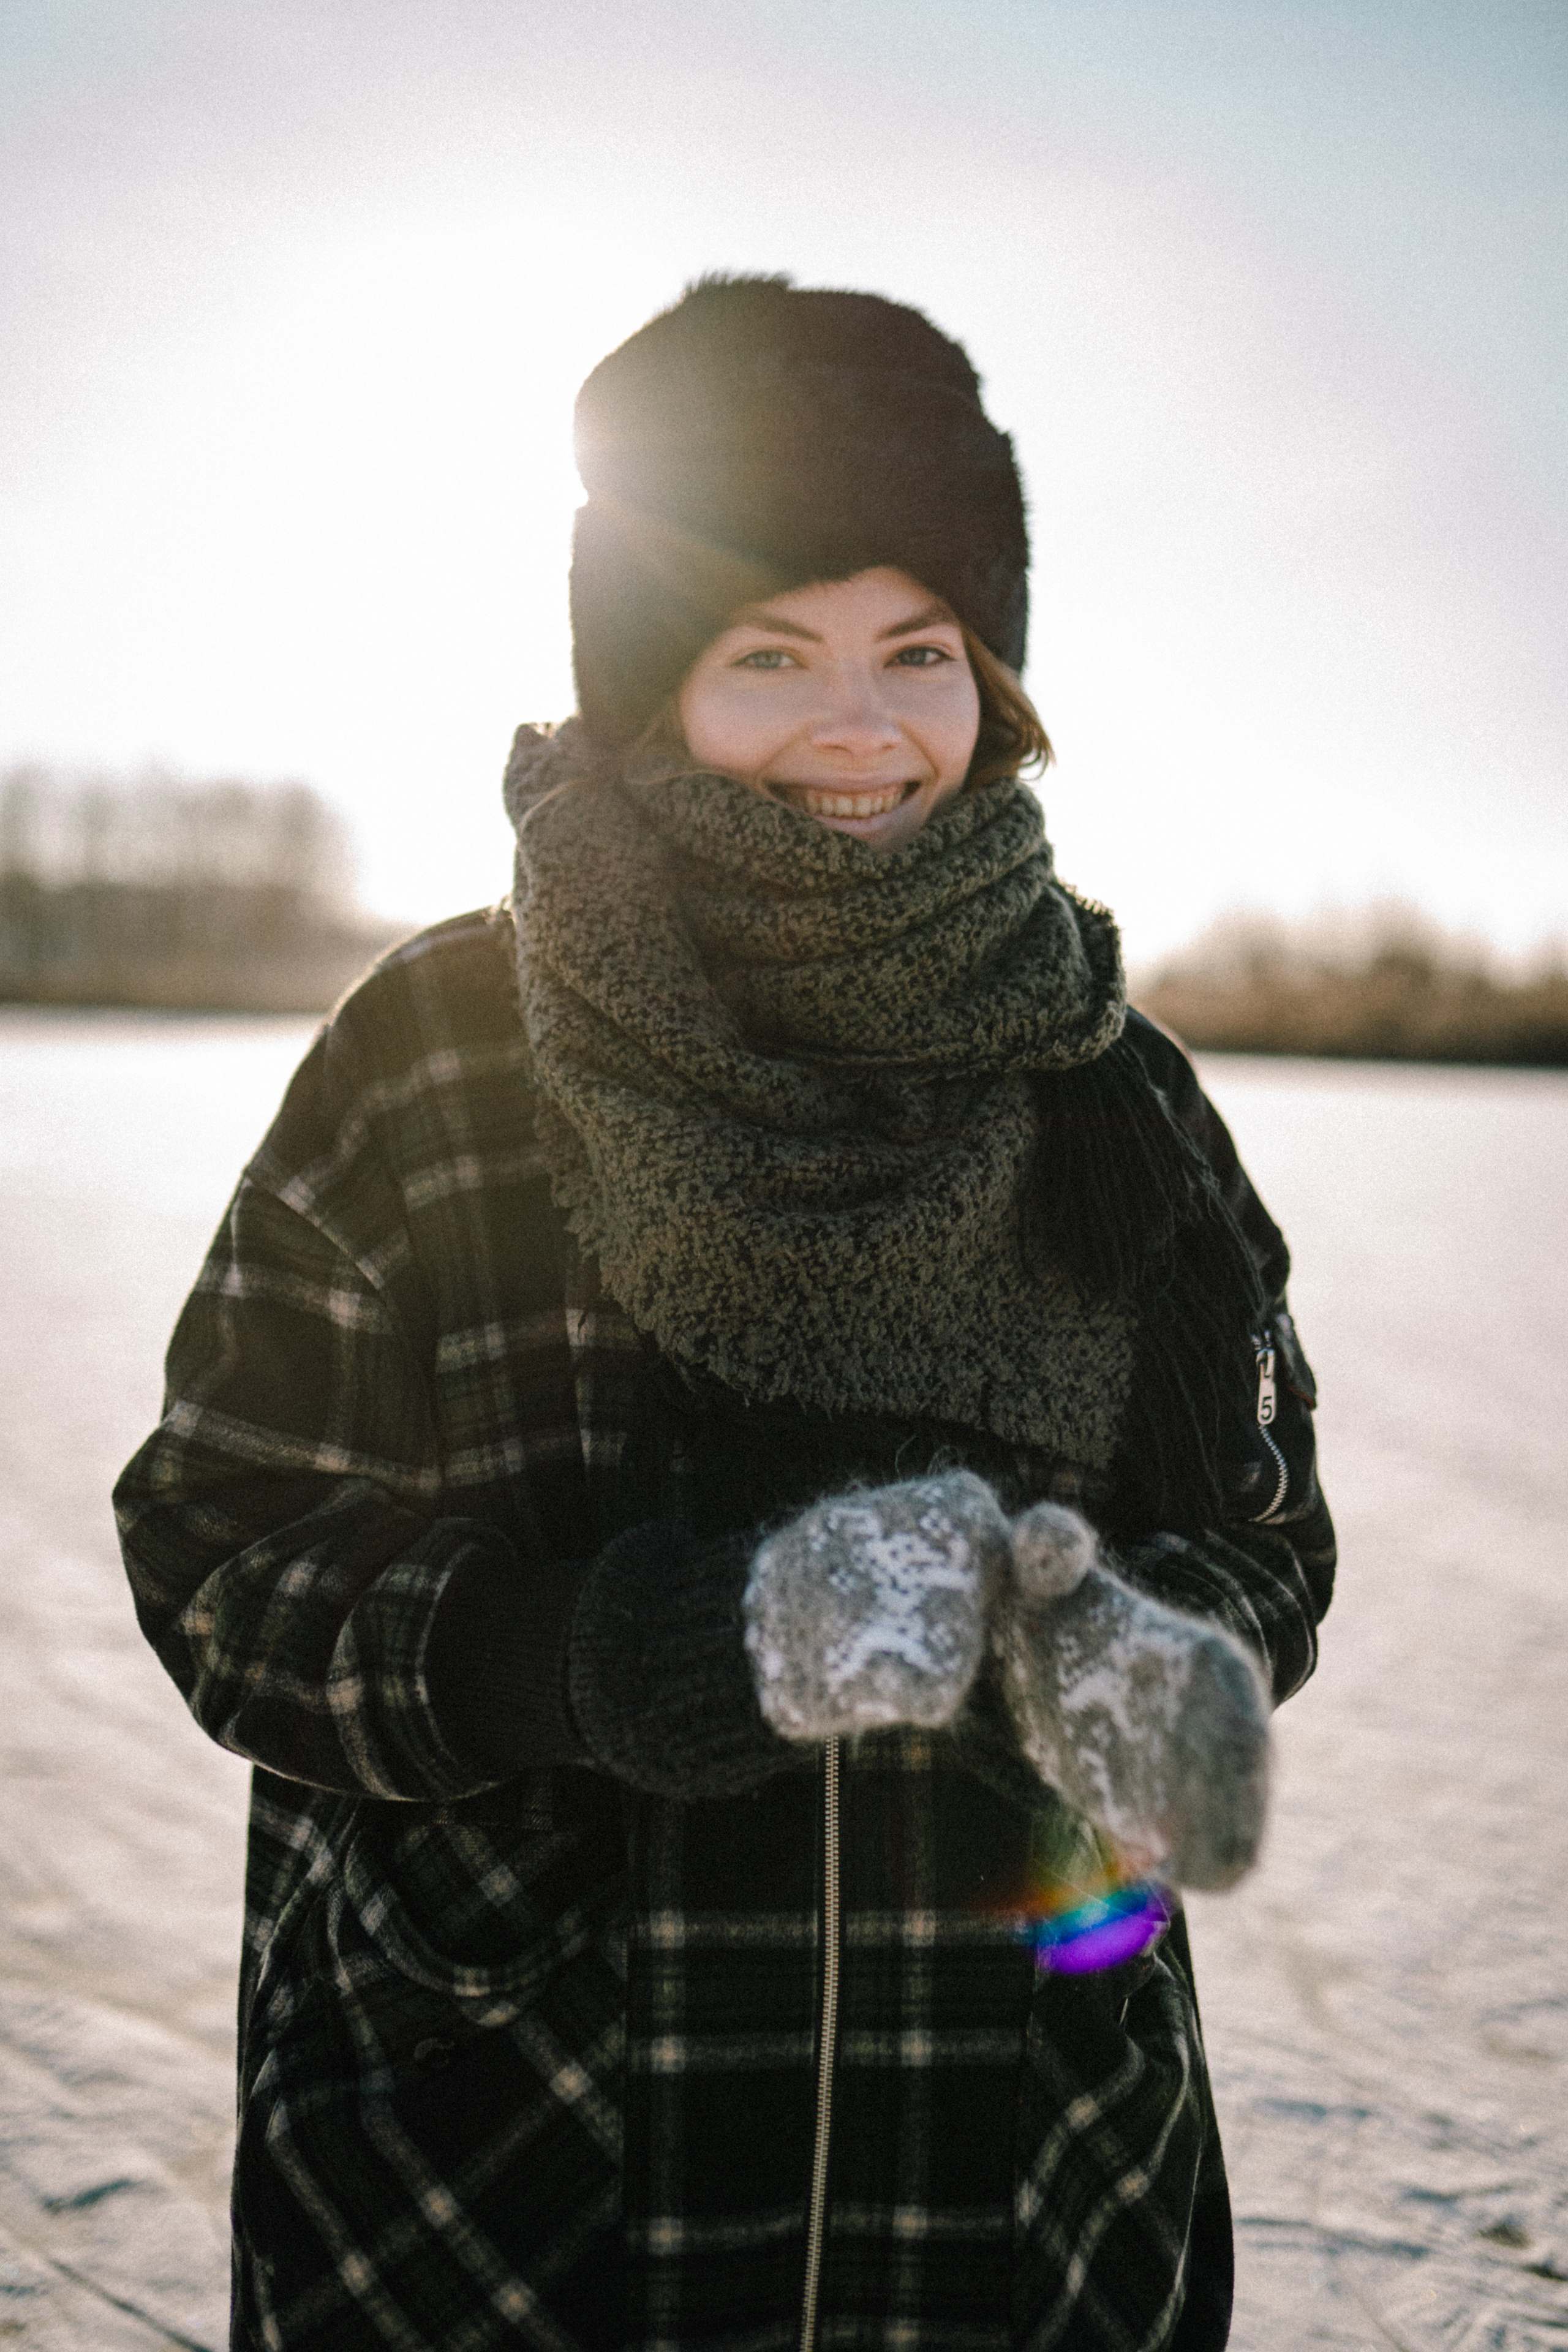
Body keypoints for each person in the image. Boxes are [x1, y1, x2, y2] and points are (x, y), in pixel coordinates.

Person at [115, 275, 1335, 2352]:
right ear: (646, 680)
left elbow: (1270, 1532)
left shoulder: (1106, 1084)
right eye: (772, 651)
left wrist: (1126, 1651)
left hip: (1026, 2188)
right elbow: (225, 1556)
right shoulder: (445, 1049)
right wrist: (619, 1658)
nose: (864, 730)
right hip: (513, 2195)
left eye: (920, 650)